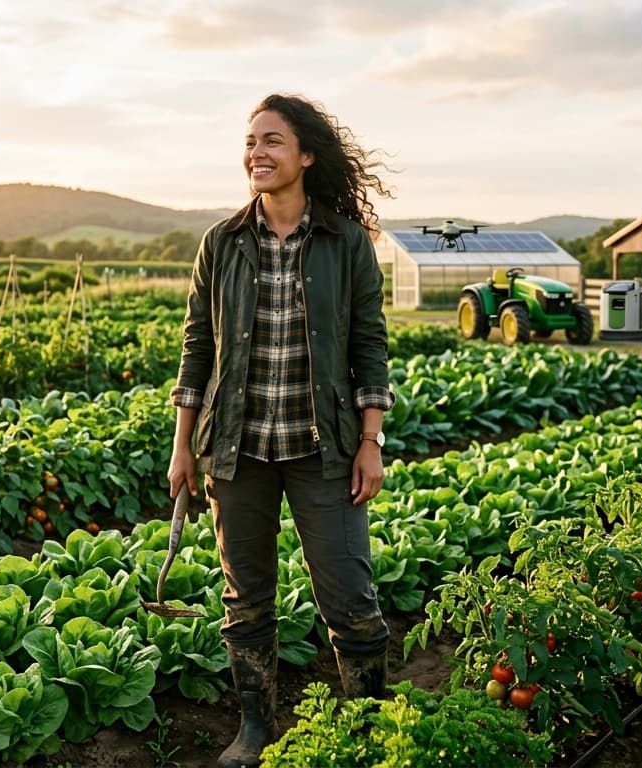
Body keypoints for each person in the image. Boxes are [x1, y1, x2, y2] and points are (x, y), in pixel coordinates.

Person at [167, 93, 396, 768]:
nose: (257, 154)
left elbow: (369, 344)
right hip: (237, 449)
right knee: (246, 599)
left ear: (306, 156)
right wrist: (183, 445)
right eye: (250, 142)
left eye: (272, 141)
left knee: (350, 596)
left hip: (324, 448)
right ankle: (255, 729)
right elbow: (197, 347)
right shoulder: (221, 243)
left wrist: (371, 441)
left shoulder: (346, 244)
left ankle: (368, 731)